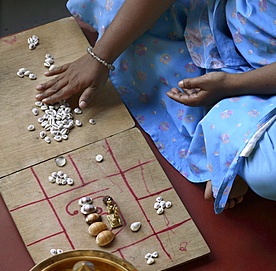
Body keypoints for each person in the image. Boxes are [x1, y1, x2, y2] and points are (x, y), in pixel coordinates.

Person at [35, 0, 276, 213]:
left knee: (268, 175)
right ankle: (232, 142)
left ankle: (230, 145)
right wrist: (100, 56)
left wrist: (231, 85)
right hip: (220, 25)